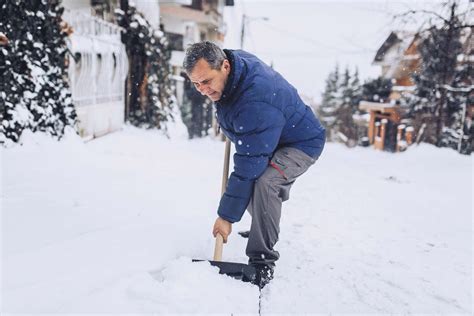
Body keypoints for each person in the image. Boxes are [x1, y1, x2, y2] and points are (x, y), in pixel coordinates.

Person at [183, 41, 326, 288]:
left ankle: (262, 261)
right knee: (248, 181)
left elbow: (249, 166)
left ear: (225, 66)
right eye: (196, 84)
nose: (203, 90)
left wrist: (226, 217)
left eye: (206, 81)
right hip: (272, 133)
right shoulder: (232, 68)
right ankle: (263, 224)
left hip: (301, 142)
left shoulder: (255, 101)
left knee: (265, 182)